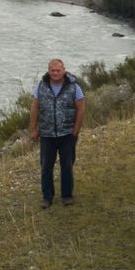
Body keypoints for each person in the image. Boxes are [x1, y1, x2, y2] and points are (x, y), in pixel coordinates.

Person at [29, 58, 85, 208]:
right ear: (48, 71)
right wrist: (33, 129)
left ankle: (67, 196)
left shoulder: (74, 87)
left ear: (63, 71)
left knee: (67, 165)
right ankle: (47, 197)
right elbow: (35, 107)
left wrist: (75, 131)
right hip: (47, 134)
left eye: (58, 70)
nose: (55, 73)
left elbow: (81, 109)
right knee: (46, 166)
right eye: (52, 70)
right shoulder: (41, 86)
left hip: (67, 134)